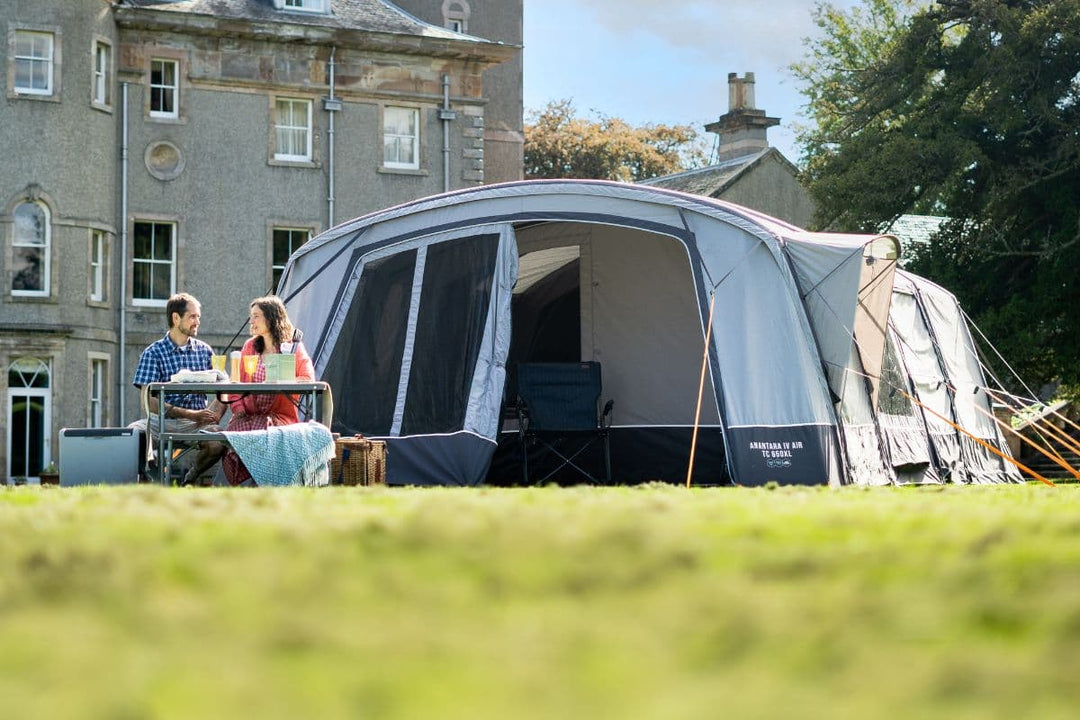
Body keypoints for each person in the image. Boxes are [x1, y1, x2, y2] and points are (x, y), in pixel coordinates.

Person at [131, 292, 227, 485]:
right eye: (192, 317)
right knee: (133, 434)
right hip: (161, 421)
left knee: (218, 440)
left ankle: (190, 478)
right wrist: (191, 414)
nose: (197, 322)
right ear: (176, 318)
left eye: (198, 317)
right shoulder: (153, 353)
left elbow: (225, 388)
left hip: (197, 424)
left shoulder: (205, 351)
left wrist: (215, 413)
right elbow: (147, 402)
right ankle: (151, 480)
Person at [222, 295, 316, 486]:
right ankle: (260, 482)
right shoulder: (250, 347)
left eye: (256, 316)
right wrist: (239, 409)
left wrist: (283, 380)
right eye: (251, 316)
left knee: (266, 432)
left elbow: (307, 378)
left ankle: (263, 482)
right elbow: (236, 383)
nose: (252, 321)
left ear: (271, 318)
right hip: (247, 416)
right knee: (238, 433)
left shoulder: (292, 348)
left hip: (279, 417)